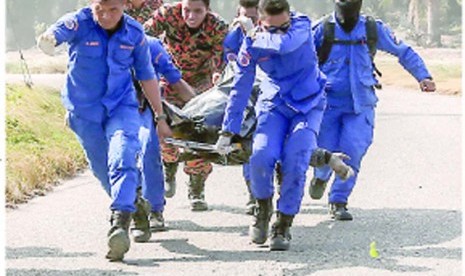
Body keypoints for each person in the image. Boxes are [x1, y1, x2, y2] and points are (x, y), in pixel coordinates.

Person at [36, 0, 171, 261]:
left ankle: (119, 223)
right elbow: (57, 33)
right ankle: (137, 206)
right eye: (100, 9)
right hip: (85, 113)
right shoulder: (79, 22)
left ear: (124, 5)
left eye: (113, 10)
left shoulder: (134, 33)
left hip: (122, 107)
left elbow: (146, 75)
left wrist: (160, 116)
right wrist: (49, 38)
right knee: (102, 169)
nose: (106, 16)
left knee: (123, 157)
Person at [216, 0, 327, 251]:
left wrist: (256, 34)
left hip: (308, 104)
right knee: (261, 156)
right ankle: (262, 208)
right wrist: (228, 130)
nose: (280, 30)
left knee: (296, 158)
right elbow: (240, 87)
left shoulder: (300, 26)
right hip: (274, 103)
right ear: (261, 20)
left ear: (289, 16)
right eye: (272, 27)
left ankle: (283, 224)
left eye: (283, 25)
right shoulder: (252, 42)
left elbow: (284, 44)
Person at [310, 0, 436, 221]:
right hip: (326, 104)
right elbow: (300, 60)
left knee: (354, 149)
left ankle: (338, 200)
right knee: (324, 148)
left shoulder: (372, 28)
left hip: (361, 105)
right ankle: (320, 176)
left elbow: (402, 50)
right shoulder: (321, 29)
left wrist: (423, 75)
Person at [144, 0, 228, 211]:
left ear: (207, 10)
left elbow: (221, 59)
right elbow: (142, 37)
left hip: (200, 85)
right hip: (170, 80)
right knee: (165, 129)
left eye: (198, 11)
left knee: (198, 136)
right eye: (186, 10)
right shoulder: (167, 14)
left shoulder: (217, 26)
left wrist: (218, 74)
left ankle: (197, 186)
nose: (191, 16)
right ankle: (169, 165)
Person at [135, 35, 196, 237]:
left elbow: (176, 82)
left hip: (144, 108)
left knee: (148, 149)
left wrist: (201, 113)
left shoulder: (150, 46)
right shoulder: (99, 43)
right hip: (111, 109)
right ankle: (127, 208)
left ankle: (153, 210)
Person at [223, 0, 259, 215]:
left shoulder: (272, 34)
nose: (249, 21)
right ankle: (254, 194)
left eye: (254, 17)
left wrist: (253, 32)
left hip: (270, 98)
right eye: (246, 16)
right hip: (245, 98)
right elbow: (228, 66)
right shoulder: (232, 37)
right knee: (248, 143)